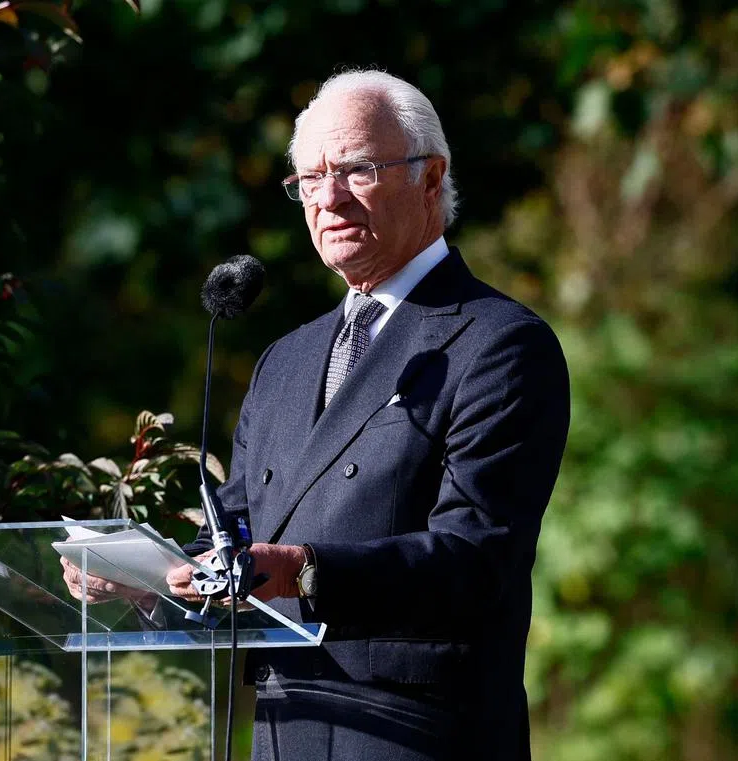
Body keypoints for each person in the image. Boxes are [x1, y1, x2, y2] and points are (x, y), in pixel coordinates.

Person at [164, 69, 571, 761]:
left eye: (357, 170)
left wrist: (305, 571)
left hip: (417, 735)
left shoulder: (499, 343)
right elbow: (232, 531)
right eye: (309, 180)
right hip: (286, 730)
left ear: (430, 178)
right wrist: (140, 574)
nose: (328, 199)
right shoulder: (285, 360)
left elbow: (476, 557)